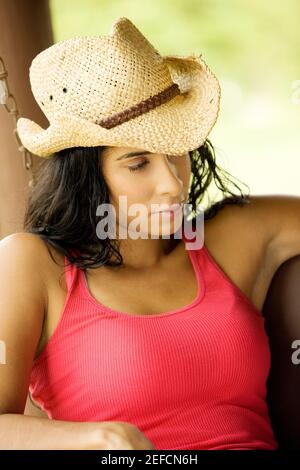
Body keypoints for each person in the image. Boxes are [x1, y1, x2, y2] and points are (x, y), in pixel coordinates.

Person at [1, 16, 300, 450]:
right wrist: (99, 439)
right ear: (86, 174)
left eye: (177, 152)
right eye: (138, 163)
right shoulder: (33, 264)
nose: (173, 184)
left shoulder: (231, 239)